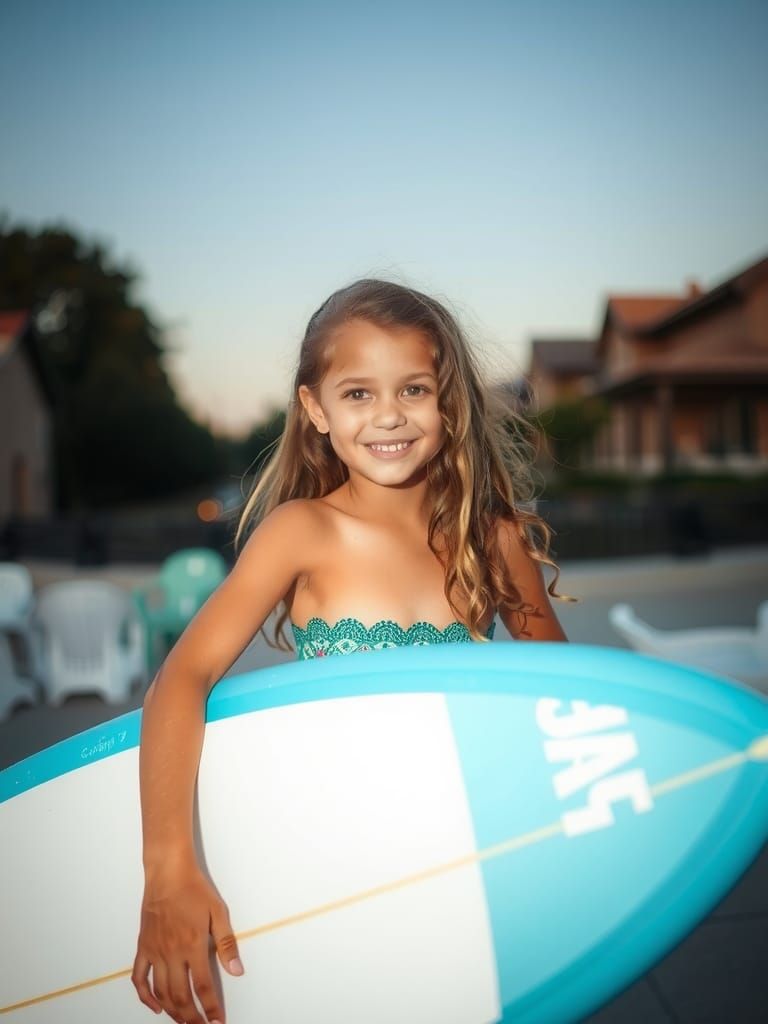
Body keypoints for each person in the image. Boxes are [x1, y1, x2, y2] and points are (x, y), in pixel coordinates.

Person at [132, 278, 568, 1024]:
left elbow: (563, 696)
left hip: (471, 856)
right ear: (316, 409)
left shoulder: (492, 538)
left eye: (414, 389)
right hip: (340, 858)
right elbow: (181, 679)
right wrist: (169, 871)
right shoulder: (302, 532)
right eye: (358, 393)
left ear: (448, 400)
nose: (389, 415)